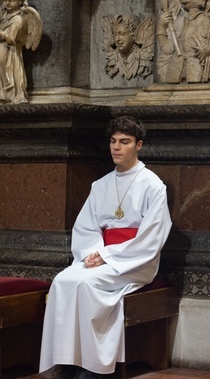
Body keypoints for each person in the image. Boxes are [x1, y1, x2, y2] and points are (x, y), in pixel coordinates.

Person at [39, 115, 172, 379]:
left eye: (124, 142)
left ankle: (96, 367)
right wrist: (92, 253)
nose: (116, 147)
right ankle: (67, 361)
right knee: (63, 281)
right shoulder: (100, 185)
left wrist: (107, 255)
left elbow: (152, 237)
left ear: (139, 146)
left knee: (88, 285)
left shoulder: (153, 185)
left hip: (135, 262)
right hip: (101, 257)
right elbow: (86, 227)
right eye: (113, 141)